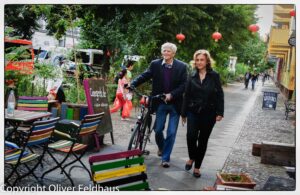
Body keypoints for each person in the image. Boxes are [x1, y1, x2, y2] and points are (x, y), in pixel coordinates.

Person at [130, 42, 187, 168]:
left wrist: (171, 94)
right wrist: (132, 84)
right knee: (158, 130)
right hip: (160, 103)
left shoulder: (182, 67)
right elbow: (145, 75)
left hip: (175, 105)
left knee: (171, 132)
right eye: (164, 51)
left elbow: (184, 85)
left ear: (173, 53)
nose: (166, 53)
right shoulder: (155, 64)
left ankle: (165, 158)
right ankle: (162, 147)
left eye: (168, 51)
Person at [181, 50, 224, 178]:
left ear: (207, 61)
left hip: (209, 113)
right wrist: (183, 113)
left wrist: (220, 112)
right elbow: (186, 95)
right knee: (191, 136)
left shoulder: (214, 75)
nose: (199, 62)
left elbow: (219, 94)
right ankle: (192, 157)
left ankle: (197, 167)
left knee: (203, 140)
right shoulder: (192, 75)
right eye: (197, 60)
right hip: (193, 111)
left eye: (202, 60)